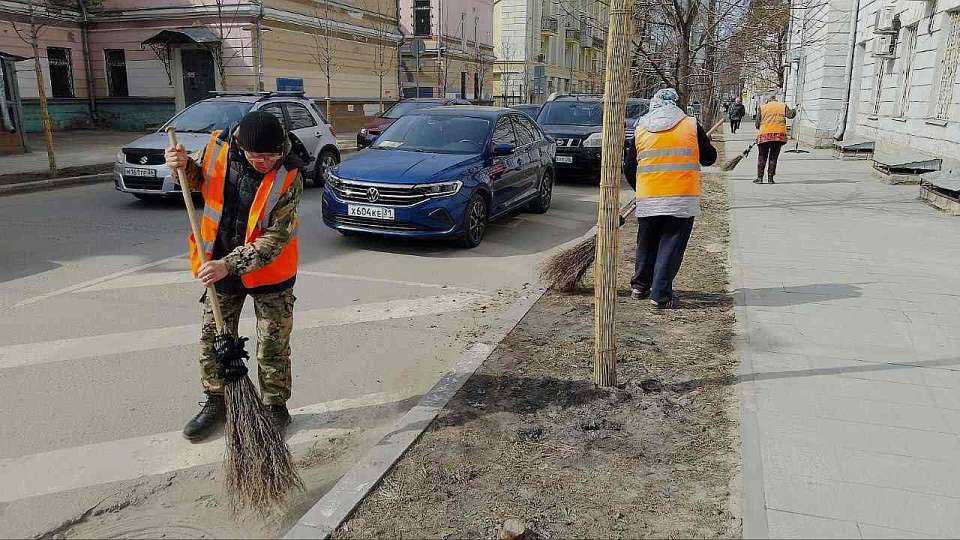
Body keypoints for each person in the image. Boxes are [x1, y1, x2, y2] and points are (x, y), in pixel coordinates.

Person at [165, 111, 305, 442]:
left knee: (272, 344)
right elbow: (197, 181)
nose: (265, 162)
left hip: (270, 271)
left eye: (271, 155)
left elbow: (275, 238)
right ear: (241, 146)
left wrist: (230, 264)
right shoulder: (217, 150)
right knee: (212, 338)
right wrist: (182, 165)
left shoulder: (290, 174)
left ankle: (275, 407)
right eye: (257, 156)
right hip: (217, 262)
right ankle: (217, 401)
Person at [630, 88, 717, 309]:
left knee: (646, 243)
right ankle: (660, 295)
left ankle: (639, 286)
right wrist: (703, 144)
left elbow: (629, 165)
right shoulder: (690, 124)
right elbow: (709, 159)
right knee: (670, 245)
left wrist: (638, 189)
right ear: (676, 104)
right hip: (681, 197)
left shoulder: (640, 126)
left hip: (649, 196)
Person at [754, 93, 796, 184]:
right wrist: (795, 109)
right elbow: (790, 115)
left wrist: (761, 128)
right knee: (773, 157)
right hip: (779, 136)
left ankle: (760, 178)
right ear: (775, 99)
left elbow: (757, 124)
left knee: (762, 157)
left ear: (767, 100)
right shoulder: (782, 106)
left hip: (764, 135)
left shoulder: (762, 107)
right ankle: (770, 179)